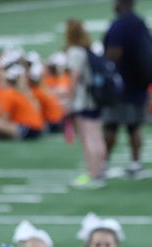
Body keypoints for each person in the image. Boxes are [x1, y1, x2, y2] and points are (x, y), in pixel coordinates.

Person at [103, 0, 152, 179]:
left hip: (121, 84)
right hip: (140, 83)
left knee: (111, 125)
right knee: (134, 127)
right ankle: (136, 163)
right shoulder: (140, 23)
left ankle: (103, 163)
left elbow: (114, 53)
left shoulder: (119, 25)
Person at [64, 19, 107, 188]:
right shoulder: (88, 49)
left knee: (88, 138)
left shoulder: (75, 52)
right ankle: (101, 169)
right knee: (97, 135)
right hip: (96, 98)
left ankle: (92, 172)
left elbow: (74, 78)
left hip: (84, 100)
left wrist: (69, 99)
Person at [0, 63, 45, 141]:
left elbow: (4, 118)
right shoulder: (17, 92)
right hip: (34, 128)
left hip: (29, 128)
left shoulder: (9, 93)